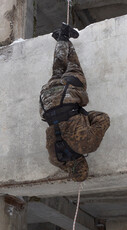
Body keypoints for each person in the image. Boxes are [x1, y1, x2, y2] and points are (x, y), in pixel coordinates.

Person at [39, 23, 110, 182]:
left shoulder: (87, 145)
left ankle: (64, 35)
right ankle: (60, 40)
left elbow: (102, 118)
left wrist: (83, 117)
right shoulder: (55, 160)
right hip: (46, 103)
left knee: (74, 67)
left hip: (67, 97)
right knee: (58, 70)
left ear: (83, 162)